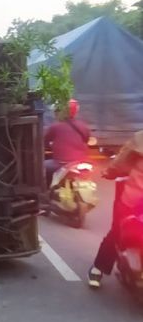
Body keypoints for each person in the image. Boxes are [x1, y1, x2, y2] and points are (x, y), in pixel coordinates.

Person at [88, 131, 143, 288]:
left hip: (134, 198)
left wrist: (109, 172)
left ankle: (98, 268)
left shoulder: (140, 138)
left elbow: (120, 162)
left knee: (118, 230)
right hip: (136, 199)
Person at [44, 99, 91, 186]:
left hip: (60, 163)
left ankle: (47, 190)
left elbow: (45, 142)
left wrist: (51, 146)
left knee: (41, 167)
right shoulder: (83, 126)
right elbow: (86, 140)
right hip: (80, 162)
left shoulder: (55, 126)